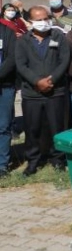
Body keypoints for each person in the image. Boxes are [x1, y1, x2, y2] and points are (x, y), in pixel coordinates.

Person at [15, 6, 71, 176]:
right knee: (32, 129)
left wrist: (51, 80)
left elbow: (64, 60)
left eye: (46, 18)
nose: (43, 22)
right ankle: (33, 161)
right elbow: (21, 65)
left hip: (55, 91)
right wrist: (37, 81)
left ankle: (58, 159)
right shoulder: (23, 41)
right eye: (39, 20)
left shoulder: (58, 36)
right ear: (30, 22)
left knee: (57, 127)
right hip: (32, 93)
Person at [0, 18, 16, 178]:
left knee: (3, 127)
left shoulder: (7, 32)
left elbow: (12, 58)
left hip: (4, 86)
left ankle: (2, 165)